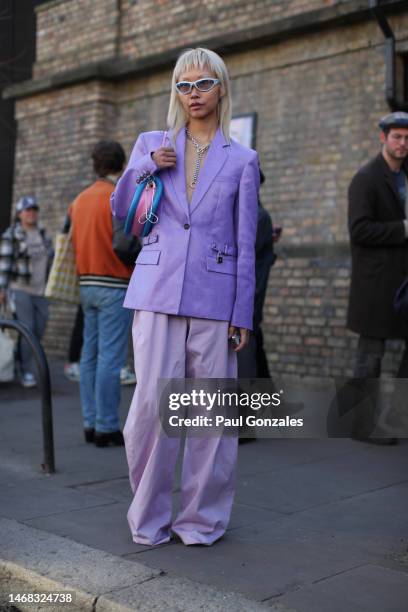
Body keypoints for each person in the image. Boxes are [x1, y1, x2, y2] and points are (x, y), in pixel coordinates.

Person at [111, 47, 260, 546]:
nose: (192, 94)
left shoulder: (243, 160)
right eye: (183, 85)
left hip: (216, 298)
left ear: (221, 88)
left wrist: (243, 313)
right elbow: (120, 207)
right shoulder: (152, 144)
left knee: (210, 417)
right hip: (155, 289)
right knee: (151, 410)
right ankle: (148, 518)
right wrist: (148, 166)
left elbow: (245, 243)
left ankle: (201, 521)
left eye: (202, 84)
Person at [69, 140, 137, 446]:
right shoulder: (117, 195)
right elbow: (124, 244)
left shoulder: (78, 200)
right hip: (114, 283)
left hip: (86, 284)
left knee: (89, 356)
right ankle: (107, 427)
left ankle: (89, 421)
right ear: (121, 164)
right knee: (111, 359)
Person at [347, 111, 408, 445]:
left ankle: (396, 418)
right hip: (375, 284)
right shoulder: (367, 178)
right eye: (397, 137)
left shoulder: (406, 176)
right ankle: (362, 424)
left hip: (402, 281)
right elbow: (358, 229)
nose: (403, 143)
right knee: (371, 356)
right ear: (383, 138)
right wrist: (404, 229)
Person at [0, 196, 53, 387]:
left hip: (41, 291)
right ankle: (26, 370)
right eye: (27, 210)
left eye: (34, 210)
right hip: (19, 288)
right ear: (19, 214)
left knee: (38, 330)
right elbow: (4, 264)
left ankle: (20, 358)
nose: (31, 213)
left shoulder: (43, 234)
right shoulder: (11, 235)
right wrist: (2, 289)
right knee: (27, 328)